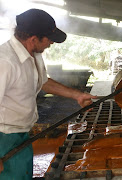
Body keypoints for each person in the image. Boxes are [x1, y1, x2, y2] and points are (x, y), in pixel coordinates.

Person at [0, 9, 97, 179]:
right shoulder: (5, 62)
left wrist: (77, 95)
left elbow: (43, 81)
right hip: (4, 140)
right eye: (49, 39)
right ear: (33, 39)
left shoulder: (34, 54)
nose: (51, 43)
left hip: (22, 135)